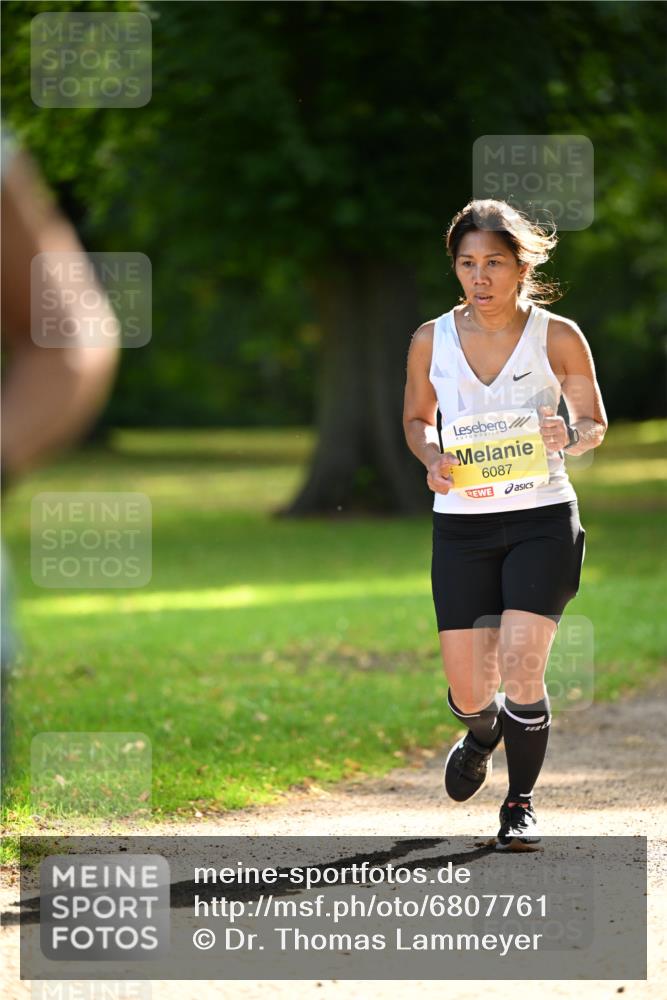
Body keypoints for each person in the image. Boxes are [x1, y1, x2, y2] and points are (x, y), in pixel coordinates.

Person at [402, 198, 607, 850]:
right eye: (467, 263)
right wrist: (431, 457)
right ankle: (481, 730)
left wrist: (567, 431)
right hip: (462, 527)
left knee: (521, 664)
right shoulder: (429, 339)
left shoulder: (557, 335)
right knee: (470, 688)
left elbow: (593, 422)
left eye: (493, 262)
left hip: (541, 519)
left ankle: (519, 804)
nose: (479, 276)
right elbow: (415, 418)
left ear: (520, 266)